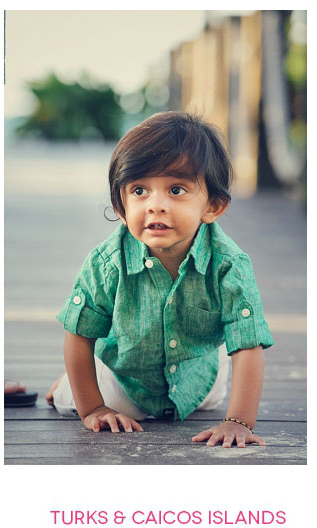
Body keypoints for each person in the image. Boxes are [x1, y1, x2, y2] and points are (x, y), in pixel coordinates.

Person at [47, 111, 272, 448]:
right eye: (139, 190)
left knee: (217, 383)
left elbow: (247, 344)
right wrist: (93, 408)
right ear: (121, 207)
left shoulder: (229, 265)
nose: (156, 205)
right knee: (91, 400)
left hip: (199, 378)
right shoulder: (107, 263)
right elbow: (79, 335)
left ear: (213, 206)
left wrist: (238, 421)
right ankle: (70, 384)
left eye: (176, 190)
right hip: (126, 378)